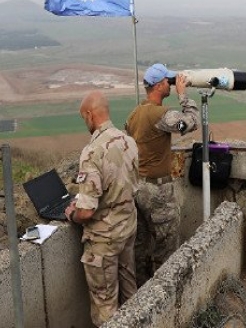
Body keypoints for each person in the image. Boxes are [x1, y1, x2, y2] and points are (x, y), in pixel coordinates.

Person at [65, 90, 139, 326]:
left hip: (104, 239)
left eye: (82, 117)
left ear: (89, 114)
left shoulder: (92, 151)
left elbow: (86, 211)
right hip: (127, 227)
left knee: (105, 304)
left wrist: (72, 213)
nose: (84, 122)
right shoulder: (128, 140)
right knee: (131, 292)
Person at [125, 63, 199, 286]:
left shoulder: (134, 114)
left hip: (138, 187)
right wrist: (183, 95)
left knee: (141, 245)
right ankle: (164, 293)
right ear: (158, 86)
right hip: (158, 191)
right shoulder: (161, 115)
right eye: (168, 81)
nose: (171, 84)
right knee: (166, 244)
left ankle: (139, 294)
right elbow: (191, 122)